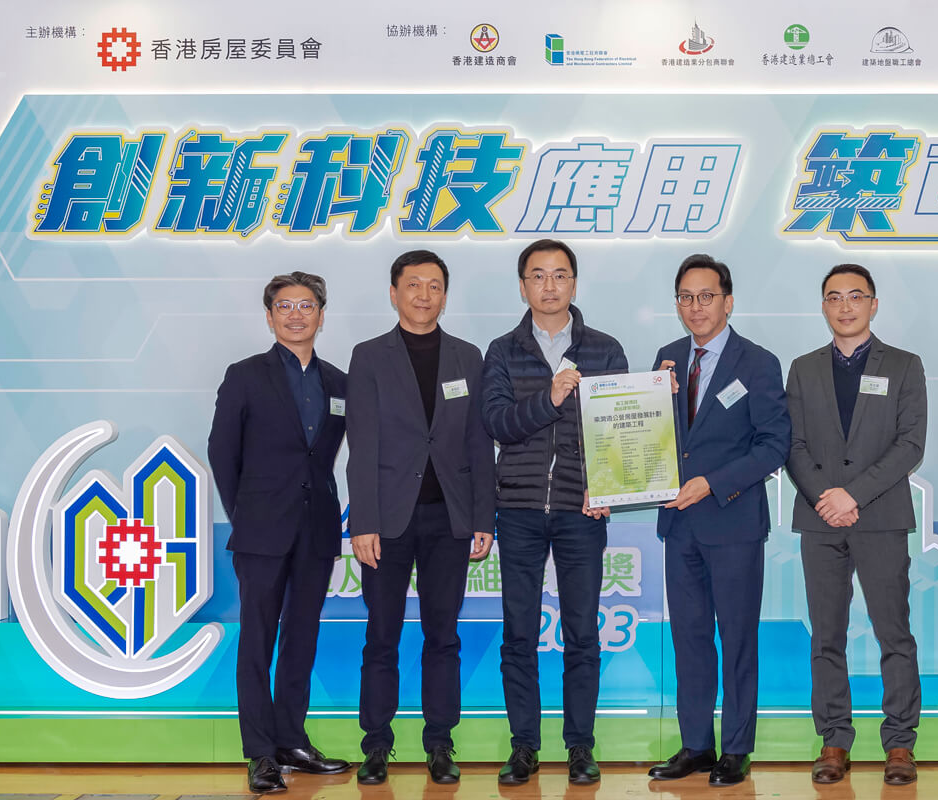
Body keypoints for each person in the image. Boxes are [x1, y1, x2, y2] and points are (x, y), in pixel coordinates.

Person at [346, 250, 495, 786]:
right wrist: (361, 521)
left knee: (443, 635)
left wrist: (483, 516)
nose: (424, 295)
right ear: (394, 293)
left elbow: (479, 443)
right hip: (386, 522)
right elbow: (360, 445)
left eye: (434, 285)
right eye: (413, 285)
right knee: (381, 634)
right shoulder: (368, 356)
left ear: (445, 295)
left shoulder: (467, 356)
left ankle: (439, 743)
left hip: (449, 520)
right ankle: (377, 746)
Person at [481, 239, 626, 786]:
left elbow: (616, 433)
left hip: (580, 512)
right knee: (518, 633)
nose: (549, 286)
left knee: (582, 632)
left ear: (573, 283)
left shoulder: (605, 349)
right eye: (538, 276)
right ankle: (524, 748)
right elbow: (498, 424)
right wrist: (552, 396)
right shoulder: (500, 351)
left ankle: (580, 747)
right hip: (517, 510)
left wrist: (606, 489)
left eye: (560, 275)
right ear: (523, 286)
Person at [647, 254, 790, 787]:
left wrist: (714, 481)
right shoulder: (665, 358)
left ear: (728, 302)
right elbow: (649, 434)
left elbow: (774, 445)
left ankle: (736, 748)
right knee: (688, 638)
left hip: (732, 522)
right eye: (685, 297)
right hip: (678, 525)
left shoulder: (757, 362)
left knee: (736, 638)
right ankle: (695, 745)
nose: (695, 307)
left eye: (706, 296)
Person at [208, 271, 351, 794]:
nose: (296, 314)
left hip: (317, 531)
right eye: (285, 306)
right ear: (269, 317)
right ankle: (261, 754)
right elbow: (223, 452)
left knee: (301, 640)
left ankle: (293, 740)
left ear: (320, 314)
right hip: (262, 533)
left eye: (306, 305)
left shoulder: (339, 381)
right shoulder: (245, 375)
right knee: (258, 641)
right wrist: (246, 513)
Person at [783, 263, 925, 786]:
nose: (845, 306)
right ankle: (835, 739)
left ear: (874, 304)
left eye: (856, 296)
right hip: (820, 521)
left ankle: (900, 745)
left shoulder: (906, 366)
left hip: (881, 516)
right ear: (823, 306)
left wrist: (853, 494)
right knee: (827, 635)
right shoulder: (803, 368)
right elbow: (792, 444)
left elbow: (911, 444)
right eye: (834, 297)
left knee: (894, 633)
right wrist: (827, 498)